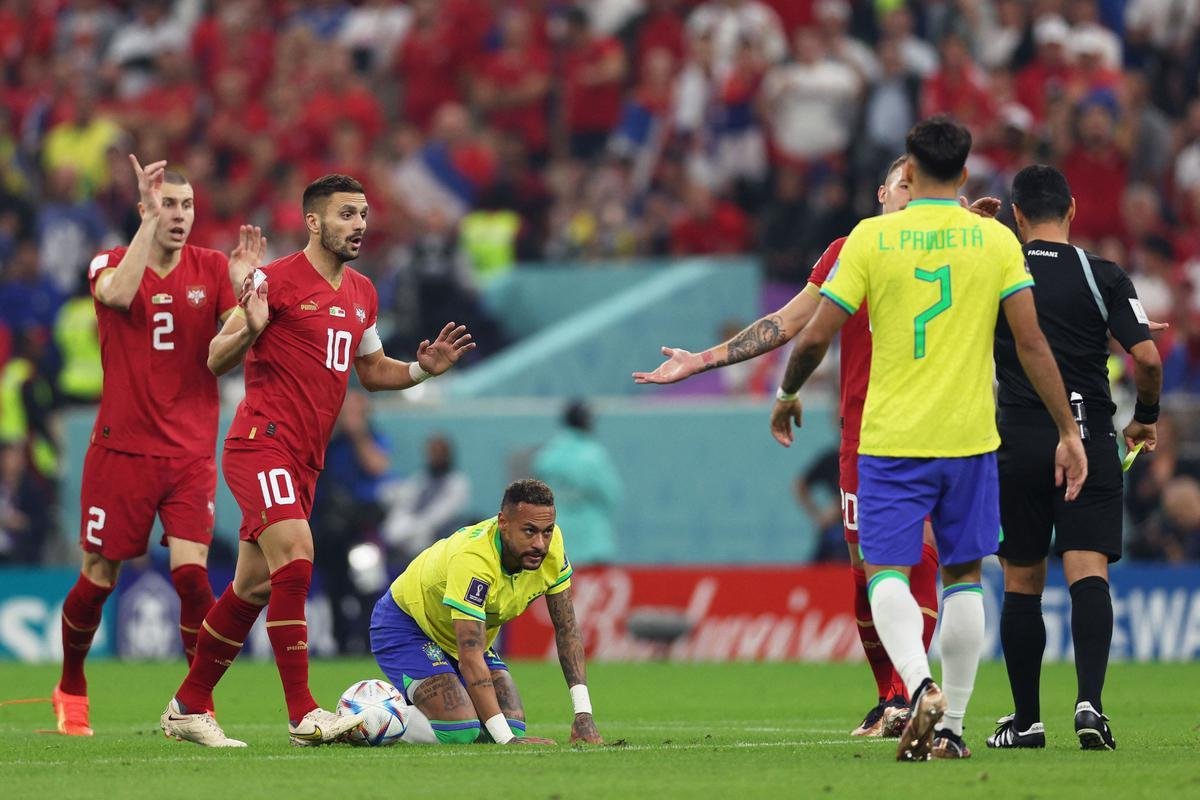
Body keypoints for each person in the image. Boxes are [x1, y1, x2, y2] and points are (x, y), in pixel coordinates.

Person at [633, 155, 1001, 737]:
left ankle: (915, 693)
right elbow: (789, 322)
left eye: (918, 183)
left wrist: (967, 225)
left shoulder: (964, 241)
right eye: (900, 182)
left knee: (926, 555)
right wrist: (701, 362)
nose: (909, 191)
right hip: (867, 433)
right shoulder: (853, 247)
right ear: (881, 190)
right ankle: (893, 697)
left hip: (940, 426)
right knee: (867, 568)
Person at [770, 116, 1087, 761]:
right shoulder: (994, 241)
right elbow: (1030, 344)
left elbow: (814, 336)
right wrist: (1067, 428)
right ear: (966, 175)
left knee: (885, 571)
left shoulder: (871, 238)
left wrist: (785, 395)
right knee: (965, 575)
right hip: (970, 438)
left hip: (891, 439)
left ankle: (918, 688)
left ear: (907, 172)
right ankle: (953, 727)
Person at [160, 174, 475, 748]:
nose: (359, 225)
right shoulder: (273, 281)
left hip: (305, 460)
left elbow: (373, 372)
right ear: (313, 222)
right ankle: (304, 711)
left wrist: (422, 369)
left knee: (253, 587)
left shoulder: (363, 292)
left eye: (363, 215)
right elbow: (212, 357)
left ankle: (188, 705)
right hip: (261, 442)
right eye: (347, 214)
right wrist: (249, 328)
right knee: (298, 556)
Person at [52, 155, 260, 736]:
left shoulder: (213, 266)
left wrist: (249, 295)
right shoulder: (111, 261)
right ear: (146, 210)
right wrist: (144, 226)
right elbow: (117, 297)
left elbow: (227, 351)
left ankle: (195, 706)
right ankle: (71, 684)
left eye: (187, 205)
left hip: (190, 450)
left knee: (193, 577)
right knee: (98, 577)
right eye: (167, 204)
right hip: (122, 448)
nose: (179, 215)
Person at [986, 165, 1162, 752]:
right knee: (1089, 573)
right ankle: (1090, 704)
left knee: (1022, 581)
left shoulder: (998, 268)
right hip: (1088, 438)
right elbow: (1149, 360)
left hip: (1018, 440)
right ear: (1073, 210)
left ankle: (1026, 720)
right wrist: (1146, 419)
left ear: (1016, 214)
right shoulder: (1102, 273)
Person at [369, 478, 602, 746]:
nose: (540, 543)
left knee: (511, 724)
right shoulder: (475, 560)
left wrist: (583, 713)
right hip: (408, 625)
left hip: (461, 633)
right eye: (529, 531)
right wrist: (507, 742)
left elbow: (567, 629)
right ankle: (371, 715)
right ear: (503, 523)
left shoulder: (552, 548)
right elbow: (469, 657)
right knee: (461, 730)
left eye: (547, 531)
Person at [532, 400, 623, 567]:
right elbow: (611, 494)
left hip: (555, 537)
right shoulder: (593, 455)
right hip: (592, 540)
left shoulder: (547, 455)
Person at [380, 433, 471, 562]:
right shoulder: (421, 478)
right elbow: (405, 500)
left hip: (437, 536)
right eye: (432, 453)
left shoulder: (457, 482)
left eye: (439, 453)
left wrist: (416, 526)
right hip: (408, 529)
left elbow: (442, 514)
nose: (435, 457)